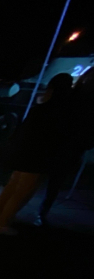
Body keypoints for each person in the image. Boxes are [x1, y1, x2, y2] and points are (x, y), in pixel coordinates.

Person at [0, 74, 74, 235]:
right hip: (36, 156)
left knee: (12, 188)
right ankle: (2, 223)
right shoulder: (58, 111)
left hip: (23, 153)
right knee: (22, 192)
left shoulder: (40, 107)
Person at [35, 71, 94, 226]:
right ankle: (41, 212)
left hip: (61, 144)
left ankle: (32, 211)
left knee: (43, 179)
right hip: (68, 146)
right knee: (53, 182)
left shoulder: (71, 96)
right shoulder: (79, 99)